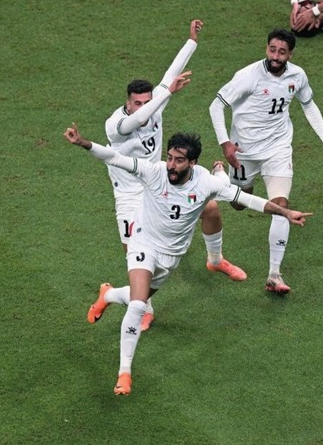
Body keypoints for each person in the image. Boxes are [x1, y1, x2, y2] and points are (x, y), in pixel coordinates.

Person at [64, 126, 311, 396]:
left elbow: (246, 199)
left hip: (172, 256)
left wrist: (285, 212)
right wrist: (83, 142)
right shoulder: (154, 171)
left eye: (179, 160)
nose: (171, 165)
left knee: (138, 296)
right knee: (138, 305)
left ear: (192, 162)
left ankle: (109, 294)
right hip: (143, 243)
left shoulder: (206, 183)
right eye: (170, 158)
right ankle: (125, 372)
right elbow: (115, 158)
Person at [98, 18, 246, 334]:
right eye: (137, 103)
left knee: (210, 208)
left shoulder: (155, 105)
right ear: (127, 102)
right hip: (129, 194)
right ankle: (143, 306)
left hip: (159, 180)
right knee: (136, 255)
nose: (143, 108)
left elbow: (170, 75)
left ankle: (215, 260)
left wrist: (191, 41)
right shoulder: (116, 125)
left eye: (147, 101)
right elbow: (139, 118)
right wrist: (164, 95)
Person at [209, 29, 323, 296]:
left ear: (290, 55)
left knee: (281, 206)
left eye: (282, 52)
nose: (275, 56)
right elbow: (216, 105)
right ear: (266, 49)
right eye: (272, 49)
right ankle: (220, 176)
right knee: (238, 203)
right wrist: (225, 143)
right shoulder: (248, 76)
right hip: (244, 152)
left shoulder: (298, 76)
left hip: (278, 149)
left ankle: (274, 274)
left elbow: (308, 104)